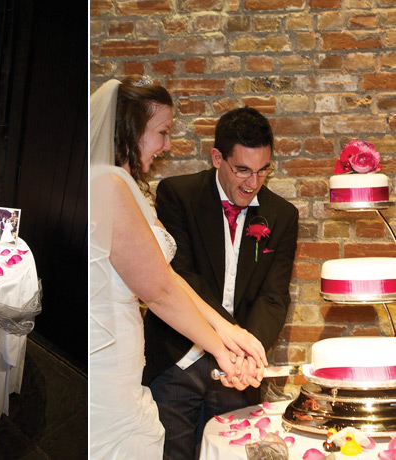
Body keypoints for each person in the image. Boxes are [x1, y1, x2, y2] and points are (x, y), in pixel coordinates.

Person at [90, 77, 268, 459]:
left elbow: (165, 276)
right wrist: (222, 352)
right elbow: (159, 293)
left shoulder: (124, 184)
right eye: (162, 132)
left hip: (123, 348)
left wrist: (230, 332)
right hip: (109, 348)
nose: (167, 145)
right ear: (130, 129)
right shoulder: (106, 184)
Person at [142, 107, 299, 460]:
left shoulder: (283, 215)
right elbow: (181, 277)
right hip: (177, 360)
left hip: (239, 377)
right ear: (217, 158)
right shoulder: (177, 195)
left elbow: (273, 297)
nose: (252, 182)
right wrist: (230, 339)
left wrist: (247, 351)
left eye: (262, 170)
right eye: (242, 169)